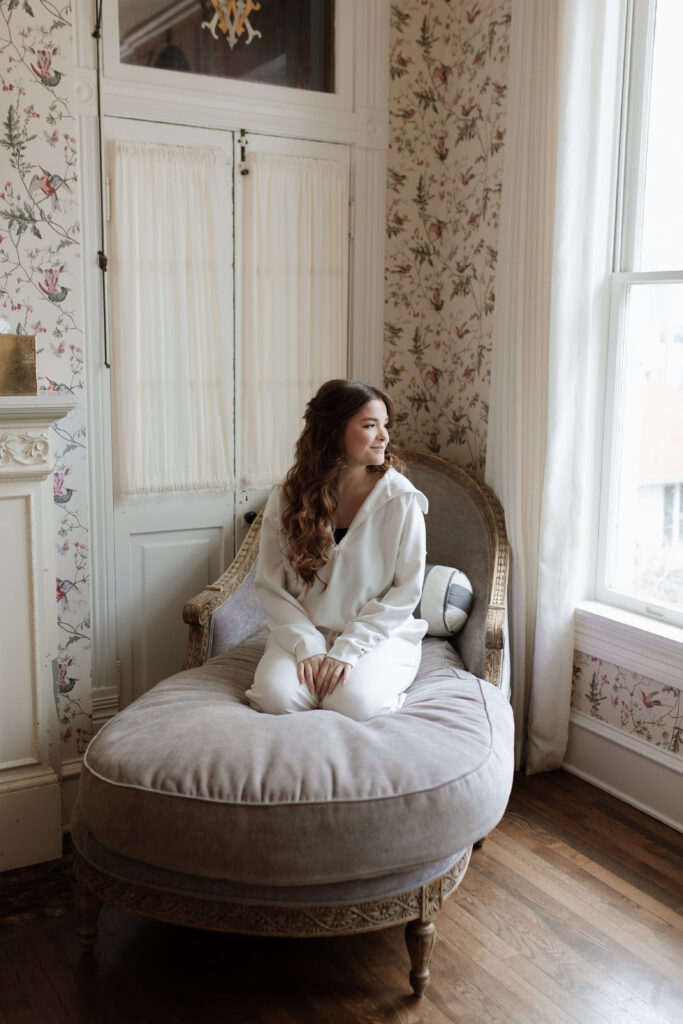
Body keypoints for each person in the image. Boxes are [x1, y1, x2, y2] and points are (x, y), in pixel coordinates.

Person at [246, 379, 429, 720]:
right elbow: (270, 586)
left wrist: (348, 648)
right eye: (370, 425)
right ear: (333, 431)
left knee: (353, 704)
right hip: (306, 632)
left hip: (378, 637)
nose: (384, 437)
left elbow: (406, 592)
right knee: (275, 699)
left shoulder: (402, 500)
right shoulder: (286, 498)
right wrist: (307, 646)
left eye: (385, 425)